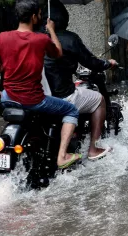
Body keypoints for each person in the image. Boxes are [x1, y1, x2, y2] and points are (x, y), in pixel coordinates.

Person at [0, 0, 81, 169]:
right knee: (71, 110)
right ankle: (62, 156)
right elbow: (58, 53)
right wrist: (52, 30)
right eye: (39, 14)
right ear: (33, 17)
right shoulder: (41, 40)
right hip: (32, 99)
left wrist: (11, 62)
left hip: (7, 98)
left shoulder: (2, 37)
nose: (40, 17)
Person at [42, 0, 116, 160]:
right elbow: (91, 62)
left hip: (40, 97)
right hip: (62, 95)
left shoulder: (34, 39)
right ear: (64, 18)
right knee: (98, 100)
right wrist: (107, 64)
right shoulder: (69, 39)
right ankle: (94, 148)